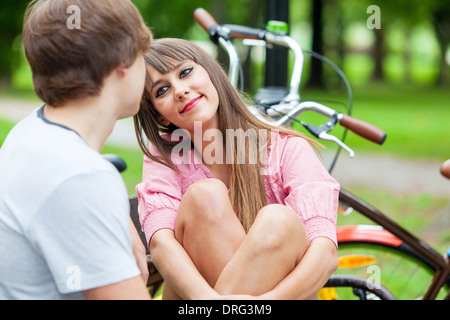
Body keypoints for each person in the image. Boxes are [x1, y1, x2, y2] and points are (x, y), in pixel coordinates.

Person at [134, 38, 340, 299]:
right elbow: (161, 243)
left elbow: (325, 252)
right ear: (159, 116)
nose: (180, 90)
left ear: (210, 73)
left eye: (185, 72)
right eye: (161, 90)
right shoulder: (166, 156)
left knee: (279, 220)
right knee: (204, 196)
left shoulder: (286, 148)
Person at [0, 0, 152, 299]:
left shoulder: (32, 130)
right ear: (121, 62)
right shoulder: (79, 176)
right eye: (141, 54)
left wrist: (119, 221)